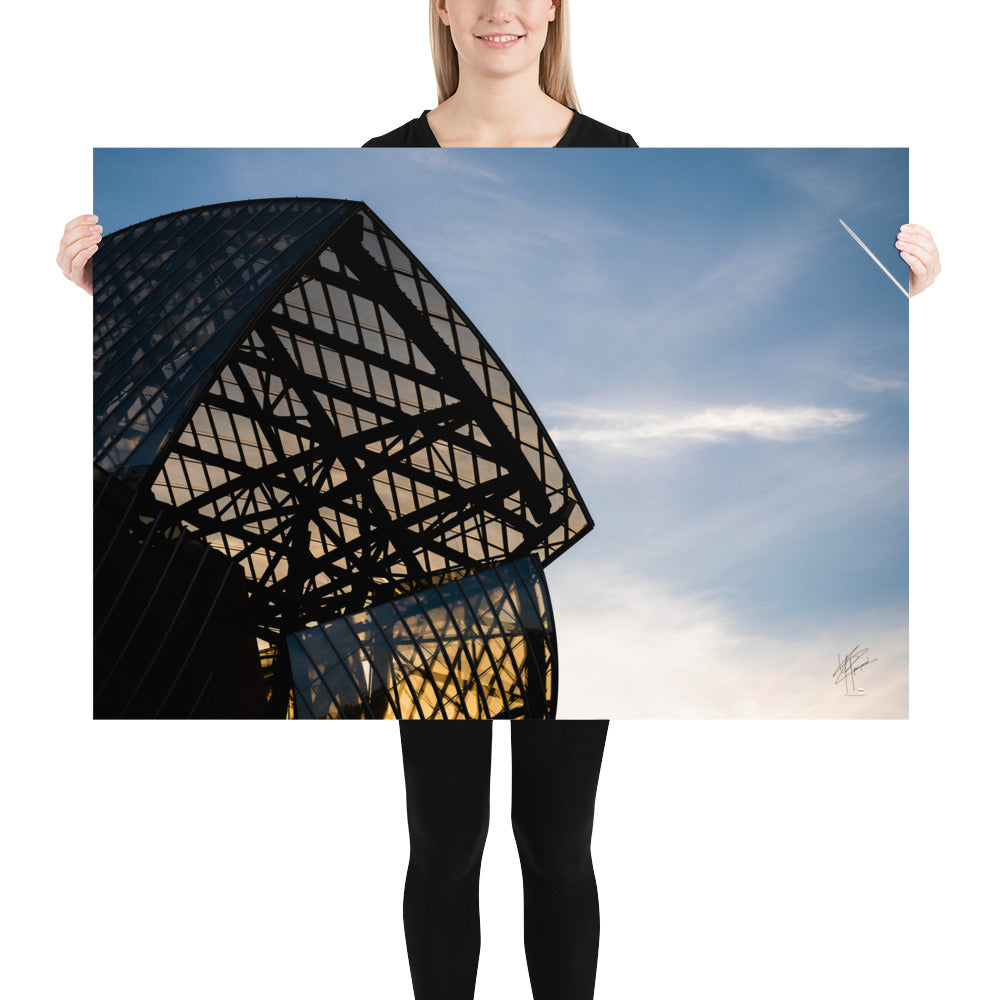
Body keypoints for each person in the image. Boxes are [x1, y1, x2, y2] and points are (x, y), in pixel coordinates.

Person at [67, 4, 938, 999]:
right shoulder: (382, 152)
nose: (497, 8)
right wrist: (98, 280)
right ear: (437, 6)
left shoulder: (618, 152)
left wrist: (893, 303)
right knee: (445, 847)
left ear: (557, 7)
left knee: (557, 848)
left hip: (475, 591)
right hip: (442, 602)